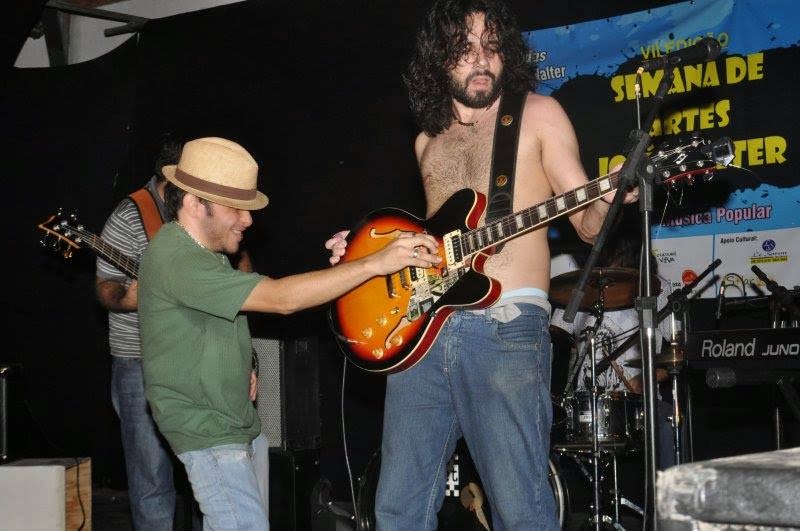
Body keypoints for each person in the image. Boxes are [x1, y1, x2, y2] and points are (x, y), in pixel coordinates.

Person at [326, 1, 637, 529]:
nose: (482, 60)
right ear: (438, 59)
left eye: (492, 47)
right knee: (396, 509)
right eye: (465, 49)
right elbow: (432, 241)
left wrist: (609, 198)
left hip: (505, 325)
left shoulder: (538, 114)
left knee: (520, 508)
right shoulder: (427, 140)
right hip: (422, 334)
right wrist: (363, 254)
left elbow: (587, 227)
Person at [137, 136, 440, 531]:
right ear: (195, 204)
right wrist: (372, 264)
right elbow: (281, 299)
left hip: (235, 427)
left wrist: (244, 363)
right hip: (207, 434)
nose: (248, 220)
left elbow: (217, 323)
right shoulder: (176, 256)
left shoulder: (203, 256)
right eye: (236, 208)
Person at [95, 140, 184, 530]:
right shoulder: (131, 215)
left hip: (191, 353)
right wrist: (134, 297)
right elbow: (106, 289)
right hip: (140, 360)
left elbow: (239, 260)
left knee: (207, 470)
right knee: (151, 477)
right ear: (171, 176)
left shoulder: (201, 209)